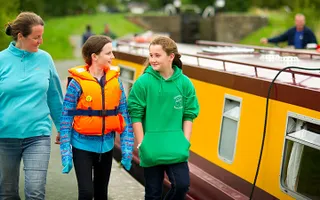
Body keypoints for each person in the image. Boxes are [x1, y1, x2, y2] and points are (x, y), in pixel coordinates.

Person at [59, 35, 134, 200]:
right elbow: (66, 119)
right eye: (108, 53)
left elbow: (125, 117)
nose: (113, 57)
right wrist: (66, 153)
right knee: (86, 193)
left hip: (106, 147)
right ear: (94, 56)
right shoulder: (76, 84)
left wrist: (127, 150)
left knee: (101, 194)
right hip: (82, 147)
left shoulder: (116, 82)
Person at [128, 36, 200, 200]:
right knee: (153, 194)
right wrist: (141, 143)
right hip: (151, 147)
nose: (152, 59)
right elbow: (135, 114)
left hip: (176, 146)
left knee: (182, 186)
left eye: (157, 55)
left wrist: (185, 141)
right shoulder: (143, 82)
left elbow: (189, 114)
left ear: (171, 57)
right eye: (151, 55)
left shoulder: (184, 83)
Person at [0, 12, 63, 199]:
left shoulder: (45, 59)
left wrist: (63, 127)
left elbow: (54, 97)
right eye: (36, 37)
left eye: (41, 36)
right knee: (7, 194)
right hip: (4, 137)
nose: (41, 41)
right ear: (21, 36)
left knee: (35, 192)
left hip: (38, 135)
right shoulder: (1, 60)